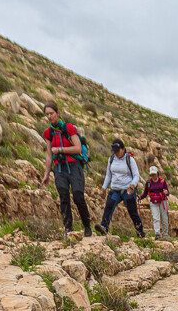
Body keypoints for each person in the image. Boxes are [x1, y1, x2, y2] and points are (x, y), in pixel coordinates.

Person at [39, 102, 92, 237]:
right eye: (47, 114)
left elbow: (78, 148)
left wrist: (61, 149)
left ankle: (87, 226)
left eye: (51, 113)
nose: (49, 116)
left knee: (78, 195)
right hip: (60, 168)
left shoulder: (69, 128)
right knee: (63, 197)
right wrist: (46, 174)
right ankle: (68, 229)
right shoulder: (48, 133)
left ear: (58, 113)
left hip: (74, 166)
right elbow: (49, 155)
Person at [95, 139, 145, 238]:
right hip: (115, 189)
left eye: (117, 150)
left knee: (132, 211)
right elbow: (108, 175)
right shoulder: (112, 159)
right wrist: (104, 188)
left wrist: (132, 185)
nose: (116, 152)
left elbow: (136, 175)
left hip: (127, 190)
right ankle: (104, 227)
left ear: (123, 149)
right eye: (114, 150)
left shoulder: (130, 159)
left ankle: (140, 231)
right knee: (109, 207)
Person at [144, 166, 170, 238]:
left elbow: (168, 192)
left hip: (163, 201)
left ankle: (165, 235)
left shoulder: (162, 181)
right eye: (152, 174)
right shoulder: (148, 182)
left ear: (157, 173)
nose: (153, 176)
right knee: (156, 218)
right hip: (153, 202)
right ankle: (157, 234)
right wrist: (140, 197)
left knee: (164, 218)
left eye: (154, 174)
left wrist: (166, 192)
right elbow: (145, 193)